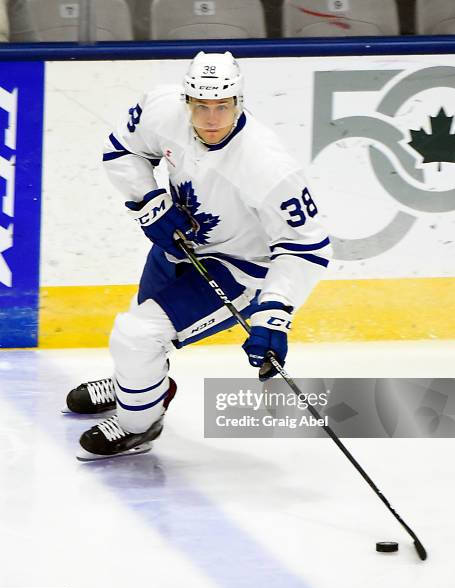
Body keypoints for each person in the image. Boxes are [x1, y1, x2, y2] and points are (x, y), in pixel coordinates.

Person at [67, 51, 332, 461]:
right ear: (186, 100)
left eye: (222, 106)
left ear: (239, 102)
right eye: (201, 106)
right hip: (178, 244)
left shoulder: (267, 165)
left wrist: (274, 312)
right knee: (140, 341)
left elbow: (307, 247)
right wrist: (149, 199)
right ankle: (139, 389)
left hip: (239, 267)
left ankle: (138, 424)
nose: (211, 119)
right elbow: (122, 150)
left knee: (136, 336)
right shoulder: (161, 107)